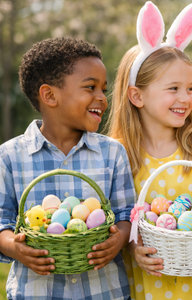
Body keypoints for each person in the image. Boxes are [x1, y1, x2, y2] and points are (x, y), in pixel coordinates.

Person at [106, 2, 192, 299]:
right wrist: (134, 248)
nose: (185, 98)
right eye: (173, 88)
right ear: (137, 95)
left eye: (190, 88)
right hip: (148, 288)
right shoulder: (119, 154)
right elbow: (118, 226)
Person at [0, 37, 136, 299]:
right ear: (50, 95)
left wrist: (117, 239)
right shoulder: (9, 156)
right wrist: (15, 248)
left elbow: (126, 214)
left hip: (104, 291)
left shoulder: (112, 153)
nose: (102, 98)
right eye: (90, 87)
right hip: (37, 292)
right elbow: (1, 221)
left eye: (103, 90)